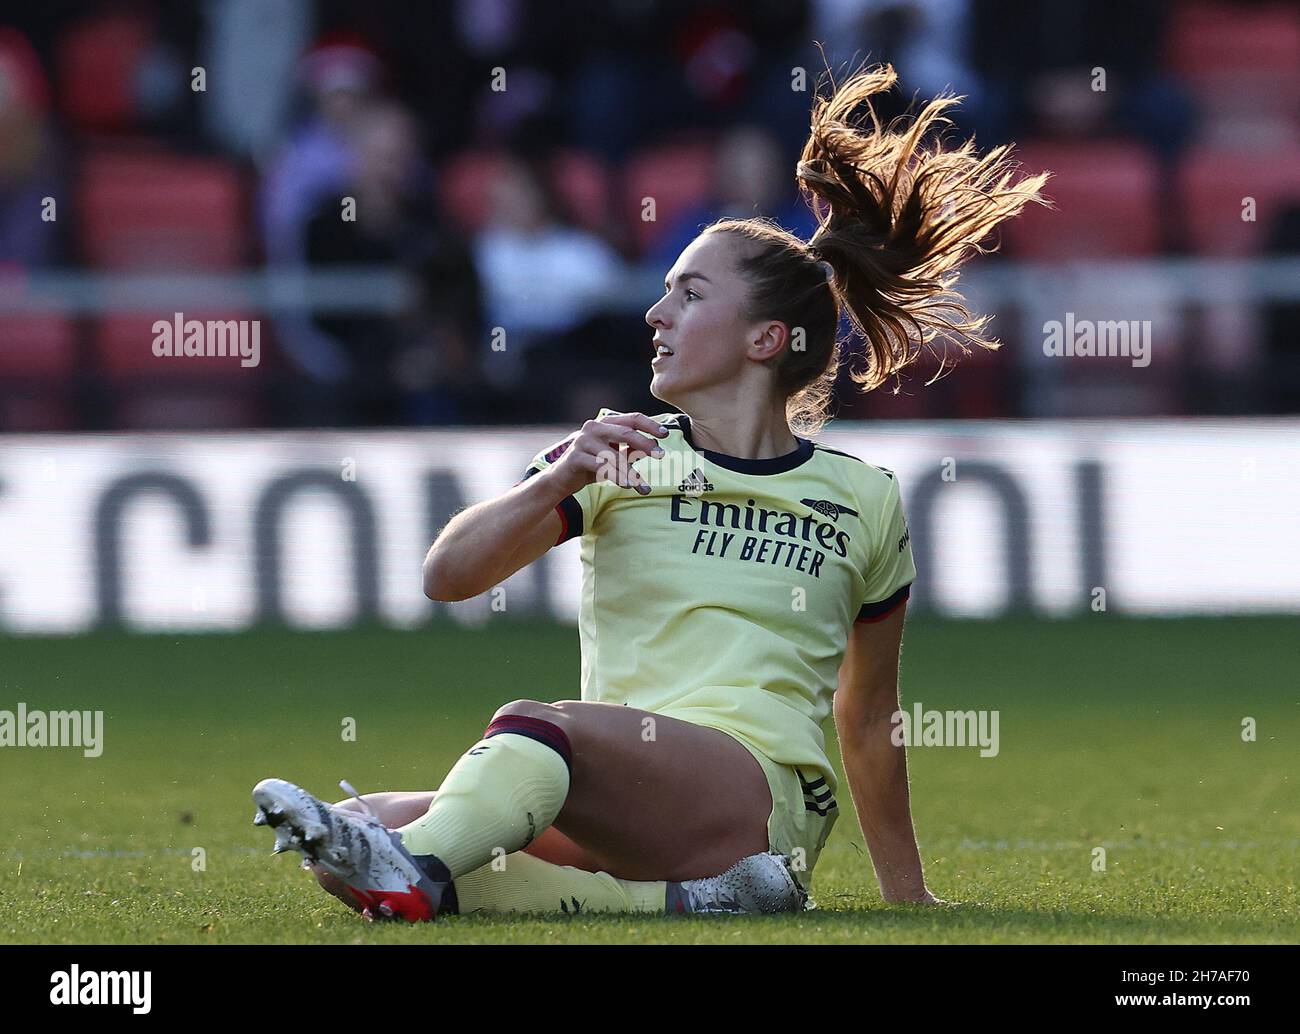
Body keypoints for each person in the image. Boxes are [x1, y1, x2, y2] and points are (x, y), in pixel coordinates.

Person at [253, 64, 1048, 920]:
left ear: (766, 339)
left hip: (753, 795)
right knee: (350, 830)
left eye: (690, 293)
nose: (654, 315)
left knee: (524, 731)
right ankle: (688, 902)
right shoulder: (612, 452)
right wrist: (559, 479)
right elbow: (447, 577)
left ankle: (425, 876)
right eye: (664, 290)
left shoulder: (863, 496)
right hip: (610, 791)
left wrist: (907, 897)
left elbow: (867, 716)